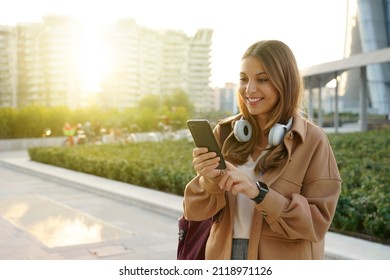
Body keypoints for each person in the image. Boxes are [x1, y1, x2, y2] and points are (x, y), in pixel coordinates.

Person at [183, 40, 342, 260]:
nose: (249, 89)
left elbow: (316, 224)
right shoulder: (225, 132)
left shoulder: (312, 141)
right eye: (243, 79)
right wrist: (207, 181)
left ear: (284, 83)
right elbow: (194, 211)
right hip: (224, 255)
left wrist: (259, 193)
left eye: (262, 79)